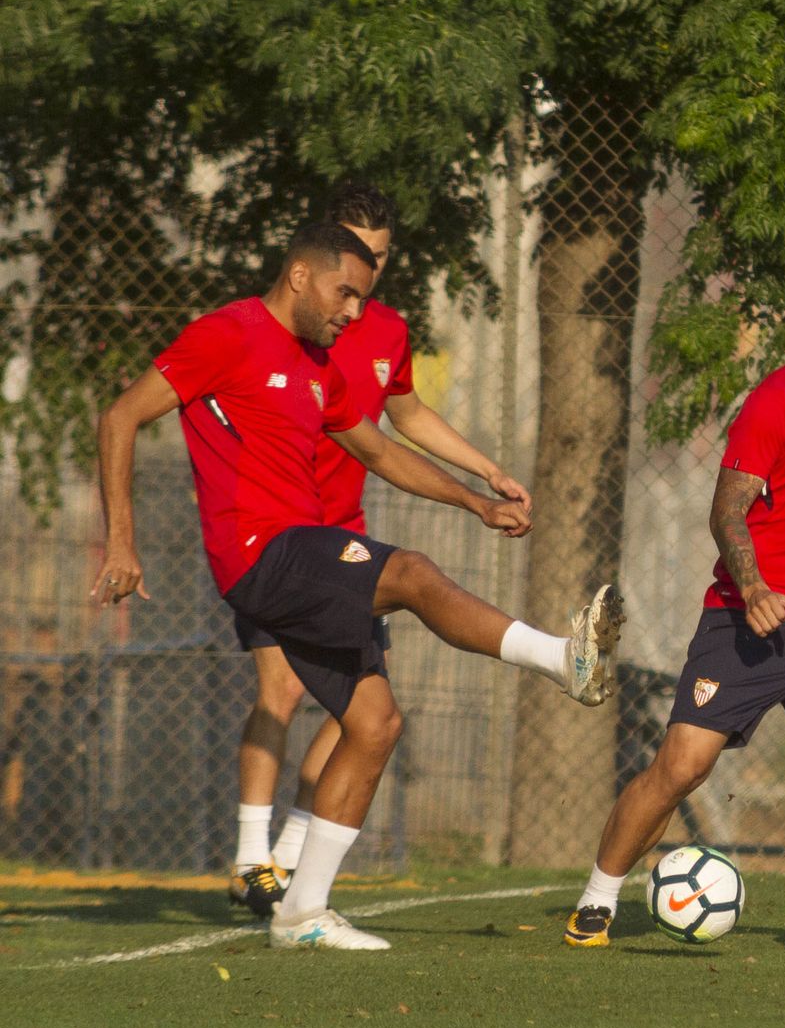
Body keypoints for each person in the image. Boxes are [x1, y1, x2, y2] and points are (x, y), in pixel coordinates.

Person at [94, 222, 624, 951]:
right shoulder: (227, 334)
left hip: (298, 555)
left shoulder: (319, 364)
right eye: (344, 292)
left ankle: (302, 913)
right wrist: (121, 541)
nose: (352, 311)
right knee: (409, 572)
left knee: (375, 726)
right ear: (299, 276)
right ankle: (561, 659)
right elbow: (120, 415)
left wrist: (474, 501)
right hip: (259, 553)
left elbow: (378, 449)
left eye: (362, 299)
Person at [563, 264, 785, 951]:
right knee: (682, 767)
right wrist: (753, 586)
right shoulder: (776, 401)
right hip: (744, 616)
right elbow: (727, 511)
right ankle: (597, 900)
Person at [227, 184, 533, 919]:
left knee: (361, 709)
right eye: (356, 247)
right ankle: (249, 859)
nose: (369, 263)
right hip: (279, 544)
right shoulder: (287, 326)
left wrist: (485, 472)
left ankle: (291, 858)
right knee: (282, 690)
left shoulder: (386, 329)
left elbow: (406, 417)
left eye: (382, 254)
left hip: (350, 542)